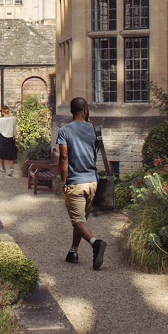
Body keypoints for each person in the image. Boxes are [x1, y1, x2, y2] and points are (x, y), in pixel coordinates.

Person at [57, 96, 107, 270]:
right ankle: (73, 251)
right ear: (85, 110)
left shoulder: (64, 131)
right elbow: (95, 151)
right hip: (92, 181)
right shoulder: (95, 129)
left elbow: (64, 157)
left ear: (72, 111)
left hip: (75, 182)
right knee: (81, 220)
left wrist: (63, 181)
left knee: (77, 220)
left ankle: (95, 243)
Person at [0, 105, 18, 176]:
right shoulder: (13, 119)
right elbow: (14, 129)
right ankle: (11, 168)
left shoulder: (1, 120)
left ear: (2, 112)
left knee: (2, 154)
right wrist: (15, 136)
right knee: (11, 154)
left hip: (2, 138)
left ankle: (3, 167)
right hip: (10, 138)